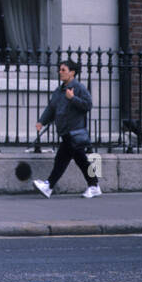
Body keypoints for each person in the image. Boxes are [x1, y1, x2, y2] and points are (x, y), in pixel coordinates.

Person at [34, 58, 101, 198]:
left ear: (72, 73)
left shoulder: (79, 88)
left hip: (74, 131)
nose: (60, 72)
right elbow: (51, 108)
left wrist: (73, 99)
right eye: (60, 69)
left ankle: (49, 185)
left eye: (63, 70)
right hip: (65, 131)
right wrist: (42, 121)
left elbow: (88, 105)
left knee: (62, 160)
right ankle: (94, 185)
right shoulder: (59, 91)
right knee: (80, 160)